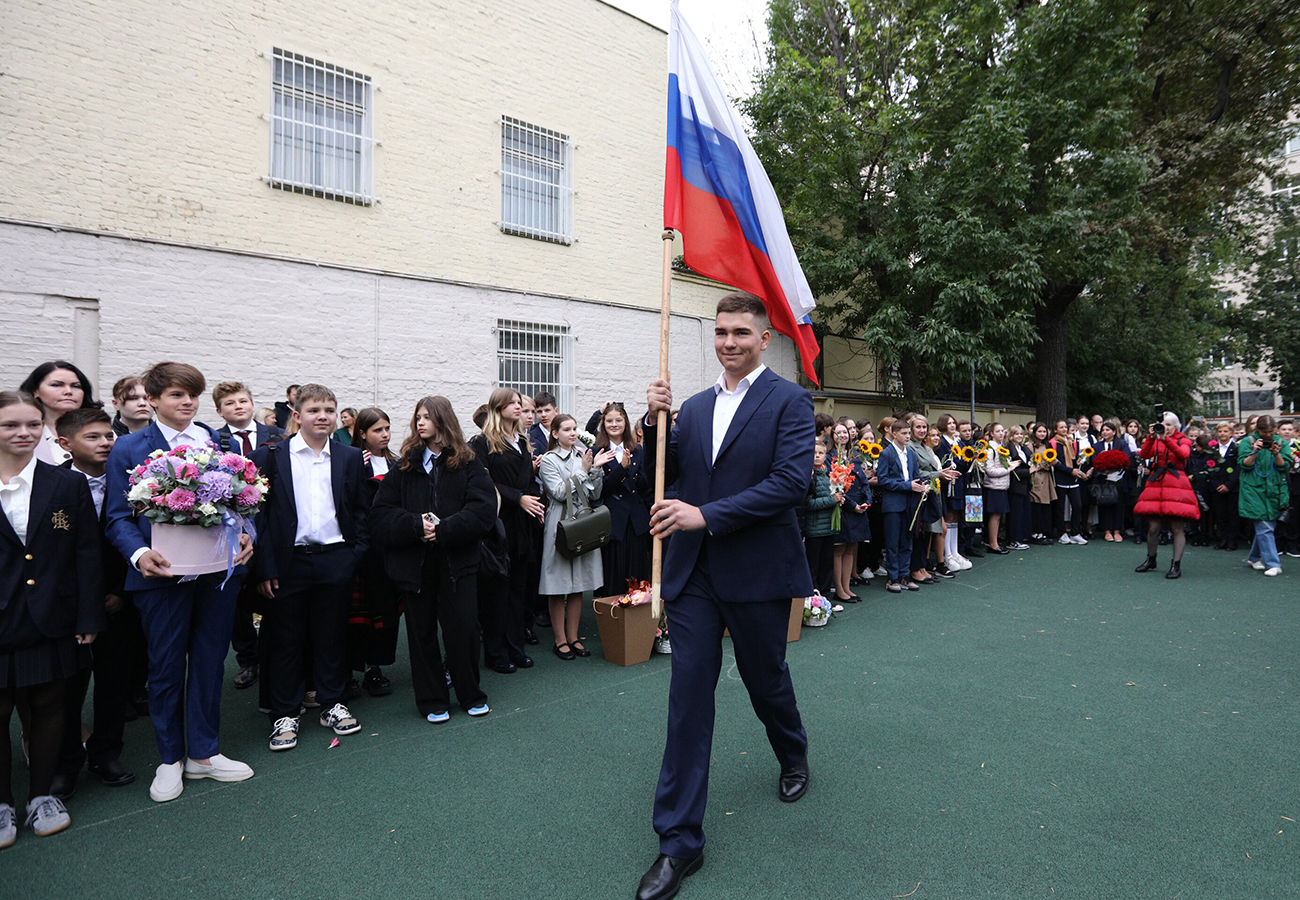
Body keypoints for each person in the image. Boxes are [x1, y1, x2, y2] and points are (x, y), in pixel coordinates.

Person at [635, 292, 815, 900]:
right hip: (695, 578)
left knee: (767, 680)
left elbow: (791, 484)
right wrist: (651, 424)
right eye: (721, 332)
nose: (730, 341)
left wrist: (705, 516)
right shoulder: (690, 405)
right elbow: (657, 478)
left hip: (759, 573)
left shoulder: (790, 400)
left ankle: (792, 754)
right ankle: (678, 843)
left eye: (742, 331)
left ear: (765, 339)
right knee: (688, 698)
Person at [104, 362, 255, 802]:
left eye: (192, 394)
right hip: (160, 574)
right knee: (166, 669)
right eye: (175, 395)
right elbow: (116, 517)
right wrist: (138, 553)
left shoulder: (216, 439)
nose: (186, 402)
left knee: (210, 662)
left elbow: (243, 502)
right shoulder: (129, 448)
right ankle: (170, 758)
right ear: (151, 400)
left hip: (216, 574)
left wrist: (247, 536)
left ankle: (204, 754)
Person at [0, 391, 103, 844]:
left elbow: (86, 554)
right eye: (10, 425)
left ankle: (42, 796)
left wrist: (88, 614)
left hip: (52, 615)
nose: (23, 433)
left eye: (32, 425)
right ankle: (2, 803)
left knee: (49, 706)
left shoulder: (66, 485)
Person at [251, 385, 369, 752]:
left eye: (330, 410)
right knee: (287, 638)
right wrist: (264, 567)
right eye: (315, 409)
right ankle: (285, 711)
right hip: (289, 562)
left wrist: (354, 554)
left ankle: (331, 702)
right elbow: (260, 517)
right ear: (296, 415)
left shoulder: (349, 457)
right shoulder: (271, 456)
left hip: (336, 558)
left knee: (331, 633)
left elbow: (360, 509)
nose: (323, 416)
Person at [370, 397, 496, 721]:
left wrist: (445, 529)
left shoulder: (468, 463)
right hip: (416, 566)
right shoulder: (405, 465)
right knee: (420, 631)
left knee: (464, 629)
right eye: (418, 417)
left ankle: (470, 694)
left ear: (443, 421)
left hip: (458, 564)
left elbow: (483, 511)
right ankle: (432, 700)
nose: (420, 422)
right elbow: (381, 515)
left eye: (427, 417)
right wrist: (416, 525)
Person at [53, 408, 138, 796]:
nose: (105, 443)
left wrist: (120, 591)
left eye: (108, 436)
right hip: (70, 606)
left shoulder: (130, 484)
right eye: (93, 437)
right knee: (68, 687)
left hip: (118, 599)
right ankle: (66, 761)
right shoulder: (53, 487)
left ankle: (106, 752)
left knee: (114, 681)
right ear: (65, 444)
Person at [212, 381, 285, 690]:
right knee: (237, 594)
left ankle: (276, 653)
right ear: (219, 410)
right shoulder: (215, 441)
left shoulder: (278, 436)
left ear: (253, 404)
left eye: (243, 401)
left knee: (274, 589)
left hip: (272, 522)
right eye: (230, 403)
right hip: (233, 526)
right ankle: (247, 658)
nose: (238, 407)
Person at [469, 388, 541, 674]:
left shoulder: (521, 441)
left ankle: (515, 646)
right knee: (496, 593)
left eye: (519, 404)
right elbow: (482, 485)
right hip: (498, 527)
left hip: (523, 525)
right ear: (497, 409)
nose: (518, 407)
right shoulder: (482, 443)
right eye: (512, 403)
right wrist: (517, 497)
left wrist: (535, 500)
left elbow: (529, 480)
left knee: (518, 591)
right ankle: (495, 652)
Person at [538, 414, 612, 660]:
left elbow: (593, 494)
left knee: (579, 584)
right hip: (560, 521)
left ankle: (574, 637)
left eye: (574, 429)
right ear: (555, 434)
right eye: (566, 429)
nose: (572, 433)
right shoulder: (549, 460)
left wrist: (596, 471)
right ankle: (560, 640)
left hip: (581, 520)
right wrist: (583, 472)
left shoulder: (582, 456)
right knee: (558, 585)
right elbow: (558, 492)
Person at [346, 408, 402, 695]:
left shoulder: (397, 462)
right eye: (378, 430)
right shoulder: (352, 460)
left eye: (387, 429)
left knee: (385, 609)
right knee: (358, 614)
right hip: (362, 546)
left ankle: (374, 668)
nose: (384, 435)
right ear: (362, 434)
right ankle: (348, 670)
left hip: (388, 546)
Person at [594, 402, 651, 596]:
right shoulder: (597, 451)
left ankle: (638, 623)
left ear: (625, 423)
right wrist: (622, 470)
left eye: (618, 420)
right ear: (603, 424)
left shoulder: (637, 450)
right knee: (614, 573)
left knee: (638, 575)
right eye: (609, 421)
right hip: (612, 520)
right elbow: (600, 489)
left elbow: (644, 485)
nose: (614, 424)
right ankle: (614, 623)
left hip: (636, 519)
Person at [1133, 411, 1199, 578]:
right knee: (1153, 527)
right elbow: (1144, 455)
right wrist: (1150, 437)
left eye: (1169, 425)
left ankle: (1176, 565)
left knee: (1177, 527)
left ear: (1176, 426)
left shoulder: (1183, 439)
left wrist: (1165, 438)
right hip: (1157, 483)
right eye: (1163, 424)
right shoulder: (1156, 438)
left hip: (1176, 484)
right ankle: (1151, 559)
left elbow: (1183, 454)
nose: (1165, 427)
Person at [1236, 415, 1292, 577]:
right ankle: (1273, 564)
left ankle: (1254, 557)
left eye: (1271, 431)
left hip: (1275, 489)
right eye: (1264, 432)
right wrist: (1255, 451)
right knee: (1264, 526)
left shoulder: (1281, 442)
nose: (1268, 435)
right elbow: (1243, 464)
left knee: (1268, 526)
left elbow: (1286, 466)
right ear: (1258, 430)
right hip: (1253, 489)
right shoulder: (1248, 441)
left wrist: (1276, 454)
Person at [19, 362, 101, 466]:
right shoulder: (21, 432)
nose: (68, 391)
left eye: (76, 386)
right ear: (36, 391)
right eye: (56, 385)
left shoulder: (103, 429)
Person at [877, 418, 926, 593]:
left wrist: (923, 485)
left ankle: (904, 576)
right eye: (904, 433)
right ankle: (893, 577)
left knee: (907, 540)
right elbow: (883, 480)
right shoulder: (887, 453)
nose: (907, 436)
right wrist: (908, 485)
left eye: (908, 433)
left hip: (909, 504)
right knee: (892, 542)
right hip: (892, 504)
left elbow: (915, 476)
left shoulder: (911, 454)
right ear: (894, 434)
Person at [829, 424, 870, 599]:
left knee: (851, 548)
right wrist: (852, 505)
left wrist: (867, 501)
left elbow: (864, 481)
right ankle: (839, 589)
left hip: (859, 509)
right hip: (843, 508)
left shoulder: (855, 456)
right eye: (838, 433)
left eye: (845, 432)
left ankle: (847, 588)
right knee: (839, 549)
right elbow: (836, 487)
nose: (842, 435)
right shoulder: (829, 457)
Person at [800, 438, 837, 599]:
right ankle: (812, 598)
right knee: (813, 565)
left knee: (827, 563)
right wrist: (832, 500)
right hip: (814, 528)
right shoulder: (809, 476)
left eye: (821, 453)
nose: (817, 456)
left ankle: (825, 596)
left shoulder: (829, 474)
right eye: (814, 453)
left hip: (829, 526)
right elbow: (807, 504)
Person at [1089, 420, 1133, 542]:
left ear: (1114, 432)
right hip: (1103, 479)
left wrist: (1116, 469)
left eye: (1107, 430)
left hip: (1119, 479)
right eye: (1103, 430)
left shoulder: (1122, 443)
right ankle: (1107, 531)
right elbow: (1094, 460)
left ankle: (1117, 531)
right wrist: (1105, 470)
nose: (1104, 432)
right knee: (1105, 504)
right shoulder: (1097, 446)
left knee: (1119, 505)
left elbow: (1127, 458)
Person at [1205, 422, 1241, 551]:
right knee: (1220, 514)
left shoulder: (1236, 447)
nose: (1222, 434)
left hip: (1232, 487)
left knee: (1232, 514)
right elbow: (1209, 466)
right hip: (1217, 487)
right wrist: (1217, 485)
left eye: (1225, 431)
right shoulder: (1213, 449)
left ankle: (1232, 541)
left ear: (1231, 433)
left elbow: (1238, 468)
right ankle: (1223, 539)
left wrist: (1228, 485)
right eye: (1220, 431)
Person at [982, 423, 1012, 554]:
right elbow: (990, 471)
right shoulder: (990, 449)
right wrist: (1009, 468)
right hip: (994, 486)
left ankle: (995, 540)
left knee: (998, 515)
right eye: (997, 431)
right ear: (991, 434)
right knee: (995, 515)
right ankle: (992, 544)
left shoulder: (1001, 447)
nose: (1001, 433)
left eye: (1002, 431)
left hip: (1002, 485)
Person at [1028, 423, 1058, 545]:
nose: (1042, 434)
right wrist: (1043, 465)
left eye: (1044, 432)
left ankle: (1043, 532)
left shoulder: (1047, 445)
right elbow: (1030, 461)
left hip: (1046, 477)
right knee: (1036, 505)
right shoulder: (1030, 445)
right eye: (1039, 431)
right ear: (1034, 432)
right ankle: (1035, 533)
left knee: (1045, 506)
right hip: (1036, 476)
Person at [1004, 425, 1032, 551]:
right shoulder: (1008, 449)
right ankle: (1013, 539)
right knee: (1015, 513)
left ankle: (1022, 536)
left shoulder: (1023, 448)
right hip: (1015, 484)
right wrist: (1029, 471)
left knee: (1023, 511)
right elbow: (1012, 470)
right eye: (1016, 434)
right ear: (1011, 436)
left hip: (1025, 484)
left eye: (1021, 434)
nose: (1019, 436)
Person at [529, 391, 557, 458]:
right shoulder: (531, 437)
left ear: (556, 411)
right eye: (539, 411)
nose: (543, 415)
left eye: (547, 410)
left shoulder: (563, 432)